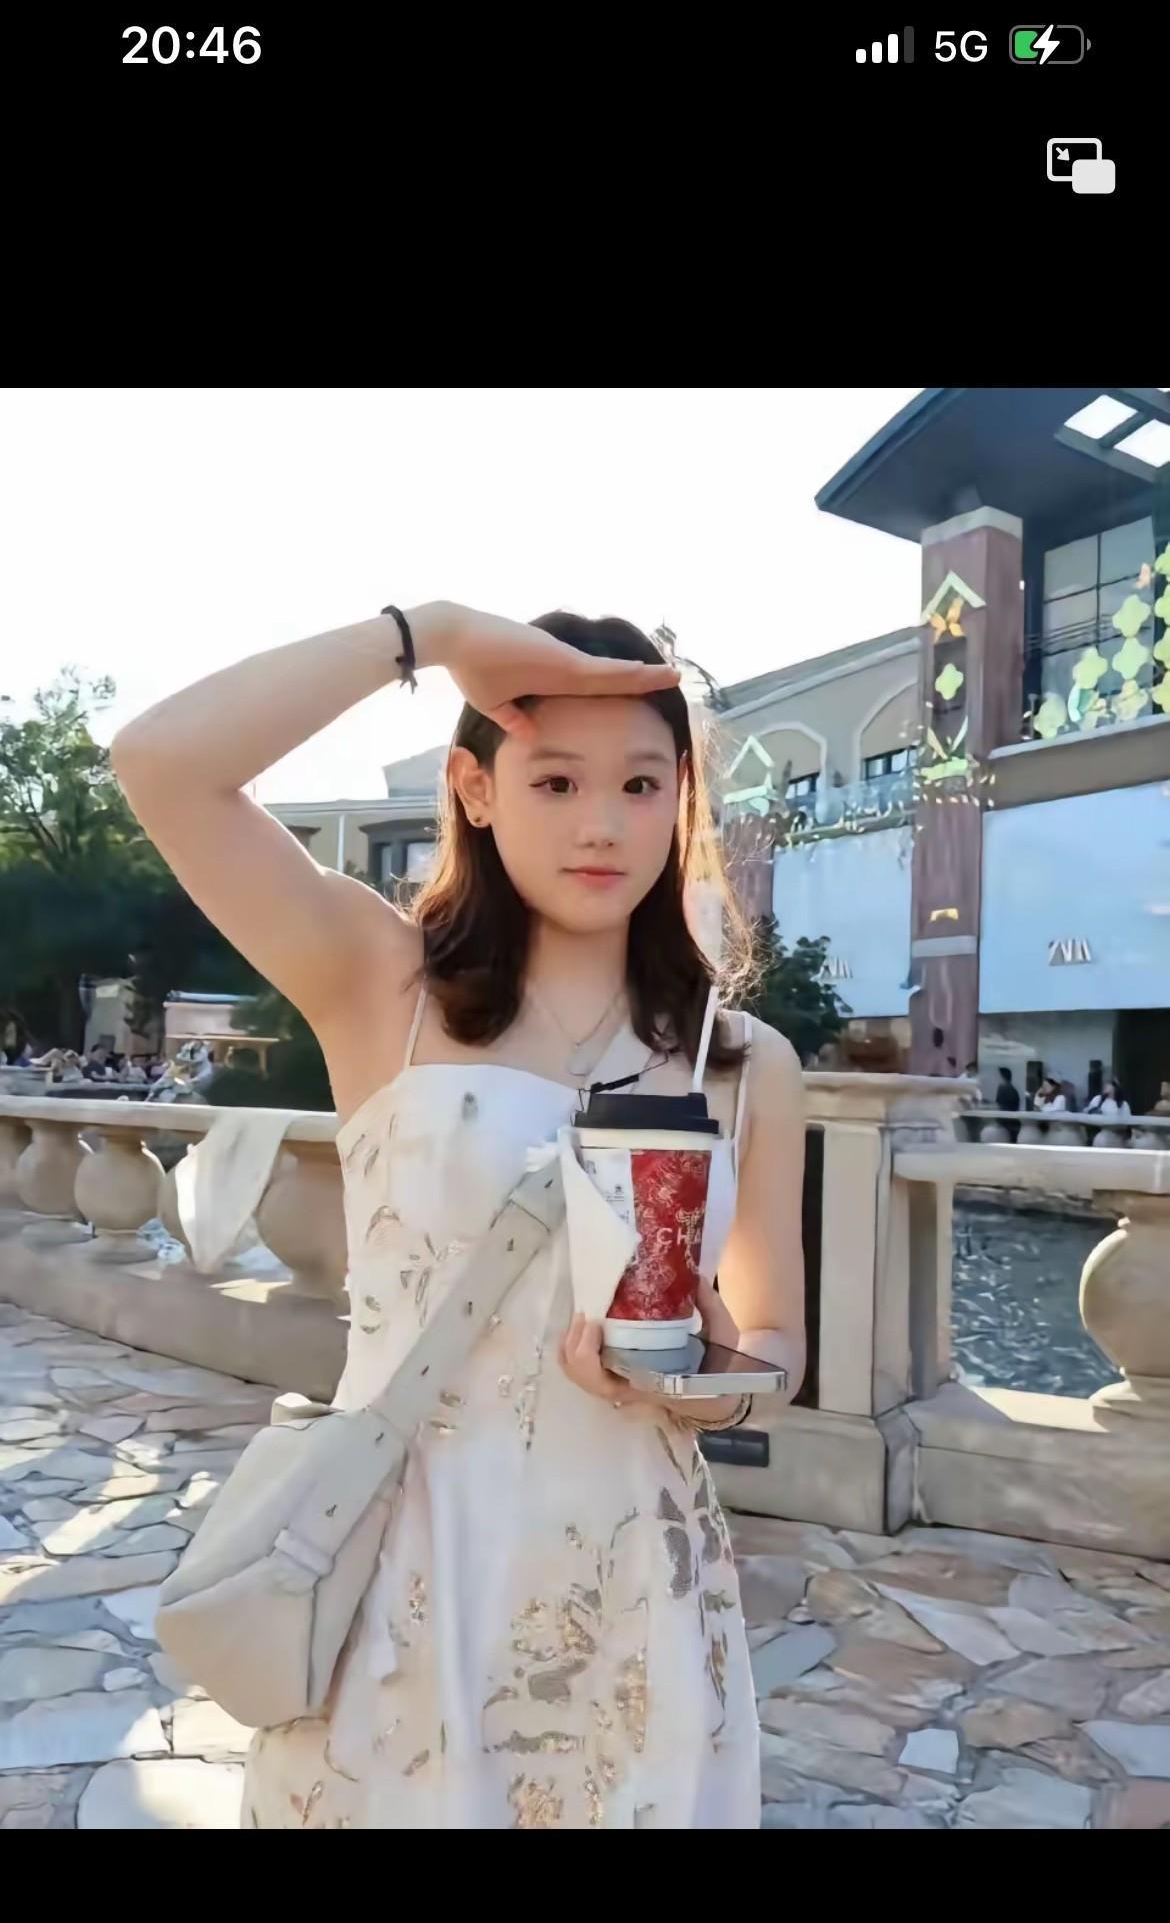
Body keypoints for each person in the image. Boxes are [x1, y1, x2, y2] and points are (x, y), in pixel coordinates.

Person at [113, 600, 807, 1832]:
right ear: (476, 791)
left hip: (639, 1593)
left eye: (642, 784)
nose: (602, 824)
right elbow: (162, 764)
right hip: (402, 1570)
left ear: (680, 802)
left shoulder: (744, 1061)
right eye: (556, 780)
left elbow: (778, 1348)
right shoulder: (382, 987)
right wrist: (426, 633)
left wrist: (711, 1387)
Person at [995, 1065, 1020, 1141]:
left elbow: (1001, 1106)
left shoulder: (1004, 1088)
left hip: (1007, 1124)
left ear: (1002, 1077)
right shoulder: (1010, 1089)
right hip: (1009, 1124)